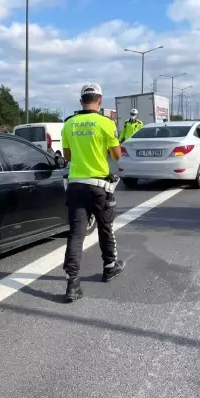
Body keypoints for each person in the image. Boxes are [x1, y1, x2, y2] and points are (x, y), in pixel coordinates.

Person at [61, 83, 125, 302]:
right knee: (105, 228)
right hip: (99, 187)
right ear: (99, 101)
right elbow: (116, 156)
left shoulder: (68, 124)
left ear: (81, 101)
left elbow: (67, 157)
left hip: (76, 185)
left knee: (76, 234)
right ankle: (109, 267)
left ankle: (72, 284)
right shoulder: (106, 123)